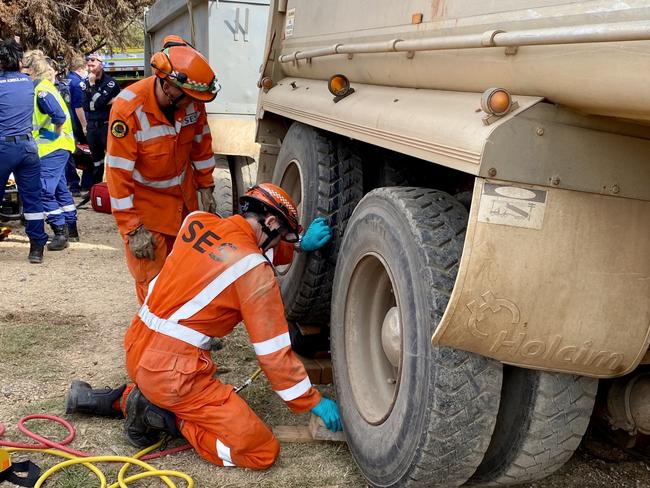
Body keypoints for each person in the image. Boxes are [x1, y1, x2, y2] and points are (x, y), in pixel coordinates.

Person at [65, 183, 341, 470]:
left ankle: (110, 400)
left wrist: (296, 246)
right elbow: (273, 353)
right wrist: (312, 400)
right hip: (173, 372)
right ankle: (168, 416)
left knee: (159, 387)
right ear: (270, 222)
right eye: (281, 235)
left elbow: (235, 249)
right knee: (260, 451)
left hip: (138, 346)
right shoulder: (254, 272)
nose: (278, 243)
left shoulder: (195, 222)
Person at [105, 35, 221, 303]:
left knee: (188, 277)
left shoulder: (192, 101)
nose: (193, 103)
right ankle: (155, 341)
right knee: (154, 289)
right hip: (148, 215)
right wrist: (133, 229)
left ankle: (188, 336)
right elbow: (118, 175)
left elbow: (201, 146)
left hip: (184, 207)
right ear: (168, 86)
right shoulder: (129, 109)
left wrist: (206, 186)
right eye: (189, 97)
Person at [22, 50, 78, 249]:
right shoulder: (44, 87)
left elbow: (58, 117)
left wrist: (52, 135)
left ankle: (60, 232)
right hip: (59, 147)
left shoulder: (41, 90)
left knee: (44, 190)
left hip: (52, 148)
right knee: (60, 188)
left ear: (31, 70)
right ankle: (71, 228)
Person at [0, 38, 48, 263]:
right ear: (19, 60)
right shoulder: (30, 83)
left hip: (3, 147)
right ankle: (37, 248)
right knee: (32, 198)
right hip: (28, 147)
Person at [80, 52, 119, 191]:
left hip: (106, 125)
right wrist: (99, 101)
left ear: (101, 65)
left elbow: (101, 102)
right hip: (92, 127)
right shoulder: (84, 83)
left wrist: (92, 86)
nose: (90, 67)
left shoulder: (110, 82)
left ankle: (115, 189)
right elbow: (86, 105)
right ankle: (96, 190)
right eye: (88, 65)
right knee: (96, 161)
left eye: (93, 64)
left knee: (114, 159)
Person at [63, 55, 87, 196]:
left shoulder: (65, 80)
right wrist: (84, 125)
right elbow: (79, 107)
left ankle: (71, 184)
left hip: (67, 122)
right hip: (75, 123)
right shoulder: (78, 83)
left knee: (69, 154)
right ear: (80, 69)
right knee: (82, 154)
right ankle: (78, 186)